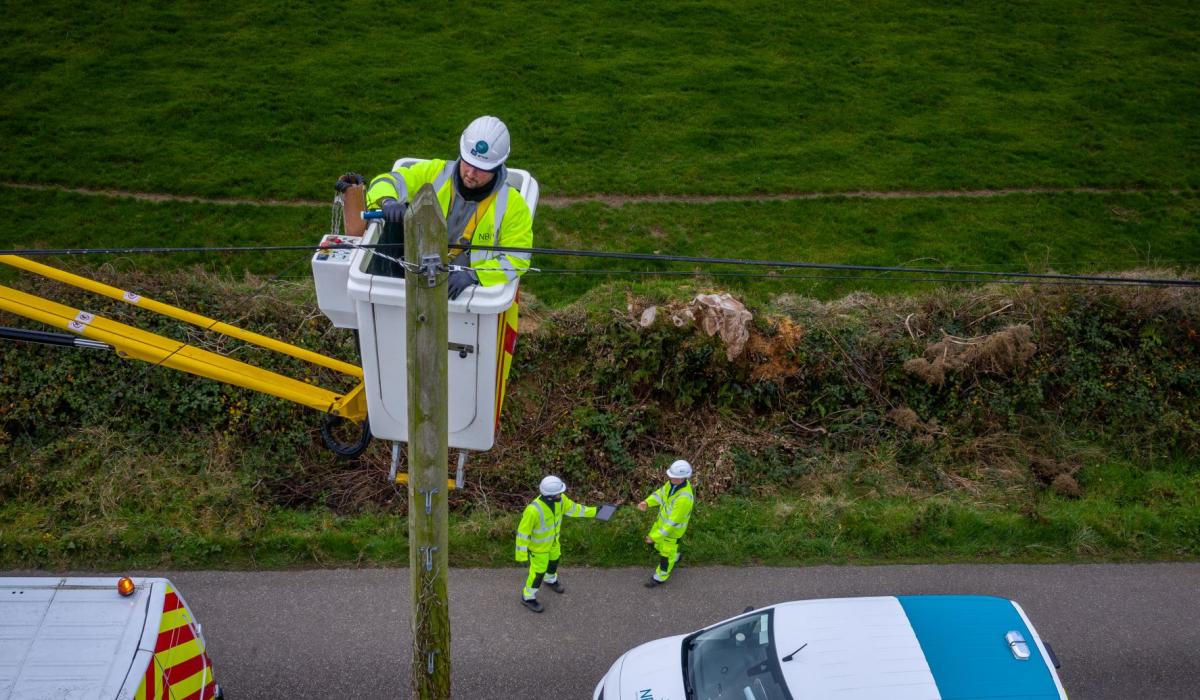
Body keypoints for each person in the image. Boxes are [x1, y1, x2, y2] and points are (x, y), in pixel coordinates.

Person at [358, 115, 534, 298]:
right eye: (468, 163)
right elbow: (387, 180)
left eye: (482, 169)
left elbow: (518, 258)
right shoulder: (434, 174)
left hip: (466, 292)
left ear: (498, 167)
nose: (471, 173)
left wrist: (474, 275)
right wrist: (387, 201)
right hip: (415, 270)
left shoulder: (513, 205)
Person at [515, 475, 597, 612]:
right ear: (551, 496)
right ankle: (528, 597)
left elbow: (576, 509)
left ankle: (550, 579)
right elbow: (522, 535)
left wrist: (596, 512)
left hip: (553, 543)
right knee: (537, 573)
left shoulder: (561, 501)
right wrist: (521, 556)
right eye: (559, 492)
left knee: (554, 561)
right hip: (538, 549)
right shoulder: (533, 510)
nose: (562, 494)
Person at [637, 459, 695, 587]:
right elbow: (660, 494)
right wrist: (647, 502)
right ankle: (676, 556)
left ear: (683, 478)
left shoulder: (684, 498)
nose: (670, 478)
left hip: (672, 532)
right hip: (661, 524)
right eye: (671, 476)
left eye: (674, 477)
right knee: (659, 546)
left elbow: (672, 523)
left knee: (665, 555)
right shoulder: (672, 484)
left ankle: (660, 577)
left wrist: (655, 536)